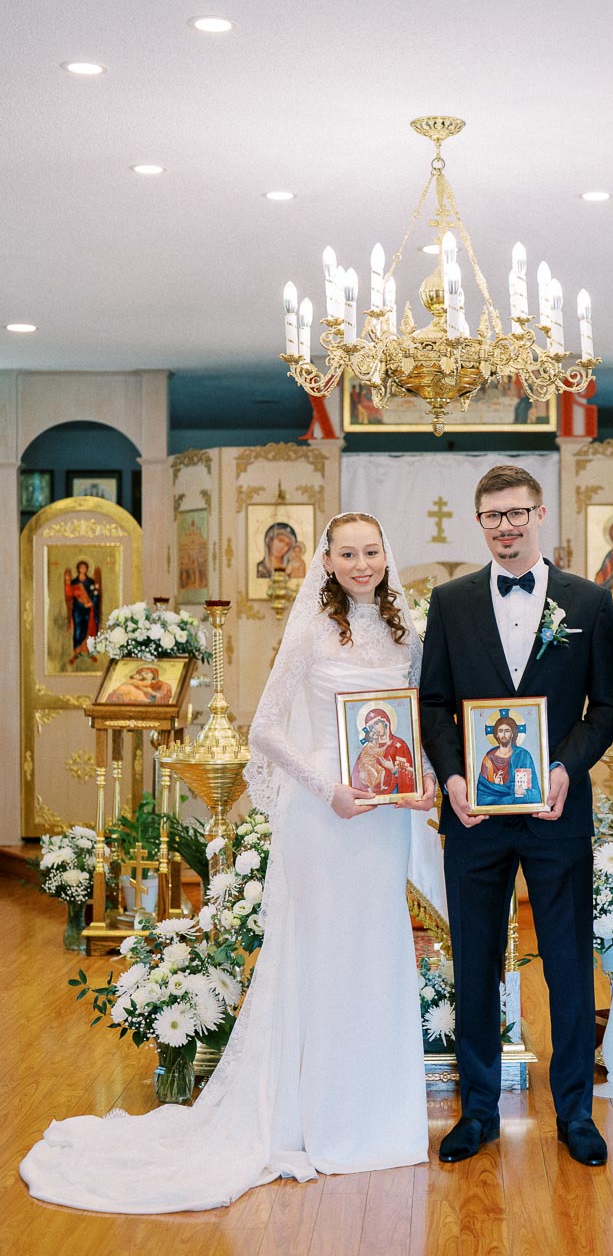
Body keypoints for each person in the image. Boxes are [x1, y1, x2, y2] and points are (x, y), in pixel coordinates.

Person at [21, 512, 441, 1212]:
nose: (362, 563)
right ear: (327, 562)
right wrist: (327, 787)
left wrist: (419, 777)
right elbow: (268, 729)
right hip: (327, 819)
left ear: (385, 556)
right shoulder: (309, 630)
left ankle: (373, 1122)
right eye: (348, 553)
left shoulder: (408, 635)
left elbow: (413, 719)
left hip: (382, 821)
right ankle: (307, 1119)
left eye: (373, 551)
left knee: (376, 955)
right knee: (320, 957)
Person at [420, 464, 613, 1167]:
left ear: (540, 515)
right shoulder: (449, 602)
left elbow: (608, 709)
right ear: (480, 523)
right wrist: (450, 777)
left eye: (516, 513)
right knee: (475, 961)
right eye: (492, 516)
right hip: (474, 817)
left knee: (566, 961)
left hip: (556, 810)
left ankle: (575, 1113)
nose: (505, 526)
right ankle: (477, 1113)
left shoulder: (589, 603)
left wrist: (565, 768)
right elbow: (434, 706)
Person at [476, 712, 542, 807]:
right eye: (500, 731)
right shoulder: (488, 759)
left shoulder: (523, 755)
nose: (503, 734)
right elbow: (481, 797)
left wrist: (522, 791)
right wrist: (497, 785)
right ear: (496, 735)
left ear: (512, 734)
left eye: (507, 731)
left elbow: (536, 796)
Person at [351, 705, 417, 797]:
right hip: (370, 799)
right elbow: (356, 779)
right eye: (372, 727)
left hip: (396, 796)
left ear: (385, 722)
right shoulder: (368, 748)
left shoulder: (400, 745)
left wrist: (393, 770)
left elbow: (411, 778)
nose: (376, 729)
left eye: (377, 723)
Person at [64, 559, 101, 663]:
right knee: (78, 631)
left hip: (88, 609)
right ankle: (76, 653)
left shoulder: (90, 582)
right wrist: (67, 582)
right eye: (81, 567)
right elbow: (69, 595)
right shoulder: (74, 582)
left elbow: (95, 595)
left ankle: (89, 652)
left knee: (88, 630)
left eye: (84, 567)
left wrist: (91, 603)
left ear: (87, 569)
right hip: (77, 610)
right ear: (78, 569)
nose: (83, 569)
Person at [106, 664, 174, 705]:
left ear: (154, 675)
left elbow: (164, 699)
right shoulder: (135, 683)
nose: (144, 675)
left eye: (147, 673)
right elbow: (115, 695)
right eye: (141, 674)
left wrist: (151, 692)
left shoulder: (164, 685)